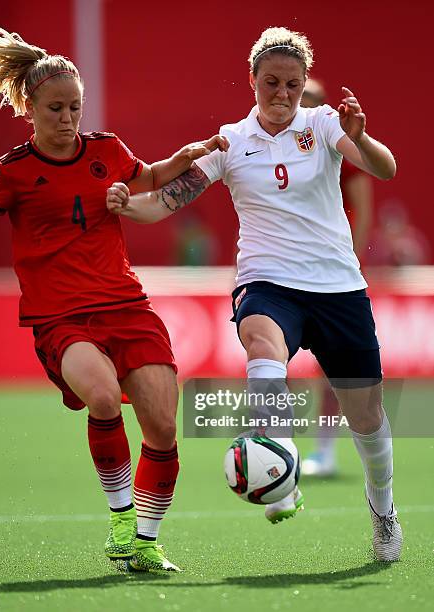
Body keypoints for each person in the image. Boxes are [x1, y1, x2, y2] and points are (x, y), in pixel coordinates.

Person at [106, 26, 403, 562]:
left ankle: (382, 510)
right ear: (252, 81)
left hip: (337, 286)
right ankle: (279, 462)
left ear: (304, 83)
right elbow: (166, 201)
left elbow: (385, 168)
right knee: (263, 349)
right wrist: (126, 203)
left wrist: (360, 137)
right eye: (271, 82)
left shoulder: (325, 122)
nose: (282, 94)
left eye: (292, 83)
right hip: (266, 281)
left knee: (367, 418)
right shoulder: (230, 141)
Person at [0, 26, 228, 573]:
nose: (67, 117)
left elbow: (146, 178)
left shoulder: (106, 149)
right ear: (29, 107)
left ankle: (145, 542)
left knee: (165, 428)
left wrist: (185, 156)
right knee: (102, 398)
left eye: (74, 107)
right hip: (60, 318)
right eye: (55, 108)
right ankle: (122, 523)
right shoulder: (12, 171)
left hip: (126, 306)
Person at [300, 78, 374, 477]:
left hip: (331, 269)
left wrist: (354, 263)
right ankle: (277, 445)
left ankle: (324, 449)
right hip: (288, 267)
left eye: (309, 99)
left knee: (332, 373)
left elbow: (363, 207)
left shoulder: (334, 143)